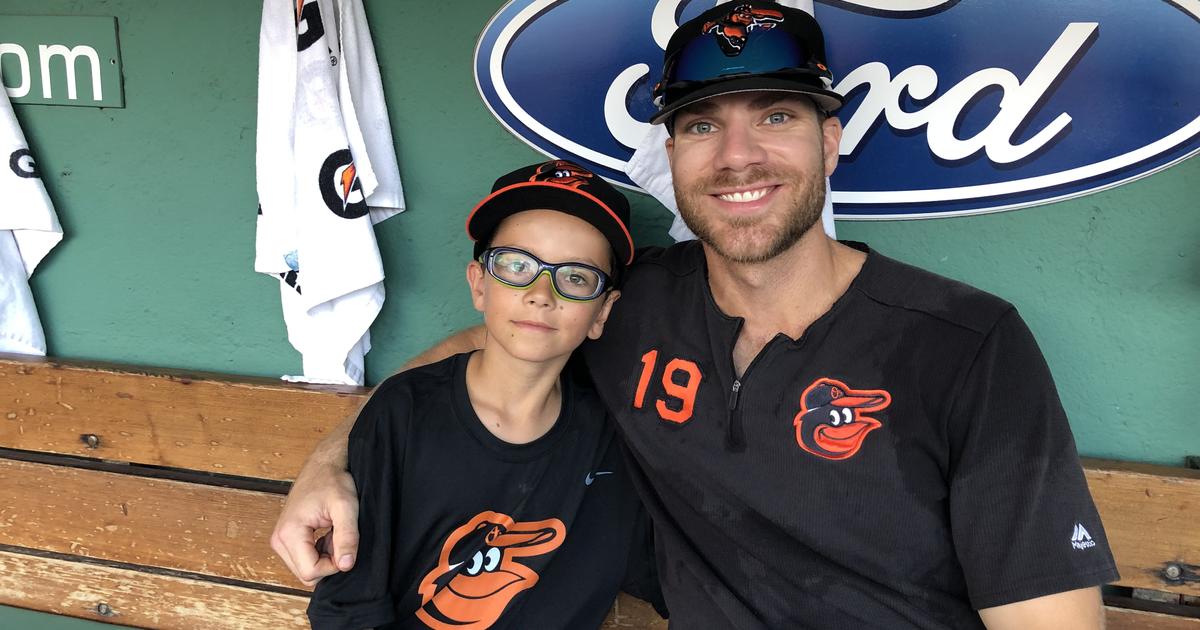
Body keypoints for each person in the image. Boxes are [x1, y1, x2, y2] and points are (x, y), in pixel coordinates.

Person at [274, 4, 1118, 628]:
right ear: (672, 155)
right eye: (702, 124)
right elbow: (491, 346)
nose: (737, 156)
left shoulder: (965, 344)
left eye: (778, 116)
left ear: (830, 142)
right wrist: (331, 459)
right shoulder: (630, 300)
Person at [304, 160, 663, 629]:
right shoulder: (406, 411)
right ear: (479, 284)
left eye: (576, 277)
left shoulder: (613, 437)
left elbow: (670, 573)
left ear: (602, 312)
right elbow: (347, 611)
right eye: (516, 266)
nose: (541, 292)